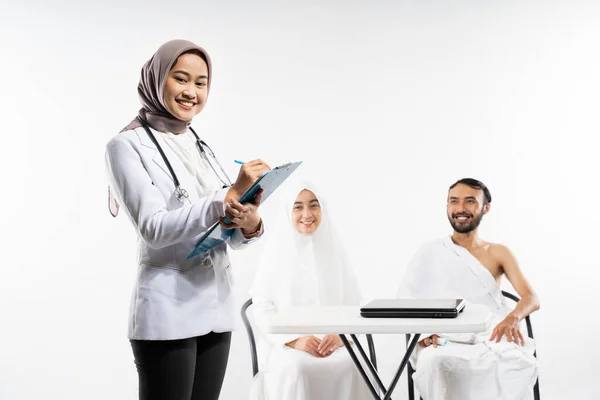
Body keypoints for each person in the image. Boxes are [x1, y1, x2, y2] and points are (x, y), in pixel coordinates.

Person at [105, 39, 270, 400]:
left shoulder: (196, 142)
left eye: (201, 82)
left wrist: (246, 218)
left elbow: (221, 227)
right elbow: (153, 228)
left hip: (215, 309)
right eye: (181, 79)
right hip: (168, 312)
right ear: (157, 79)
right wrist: (222, 199)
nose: (191, 92)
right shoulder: (125, 146)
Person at [397, 178, 540, 400]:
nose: (460, 208)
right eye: (454, 201)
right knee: (434, 360)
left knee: (512, 364)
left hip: (491, 333)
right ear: (447, 206)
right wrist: (424, 333)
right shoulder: (430, 252)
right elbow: (406, 299)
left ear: (486, 208)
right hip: (445, 336)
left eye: (470, 201)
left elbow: (531, 297)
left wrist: (513, 318)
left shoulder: (499, 252)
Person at [249, 180, 373, 400]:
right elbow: (261, 310)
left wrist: (342, 336)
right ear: (288, 211)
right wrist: (295, 340)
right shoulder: (274, 254)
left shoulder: (333, 248)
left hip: (334, 343)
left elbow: (356, 304)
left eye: (313, 205)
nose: (307, 213)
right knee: (299, 369)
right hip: (287, 346)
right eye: (298, 207)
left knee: (355, 365)